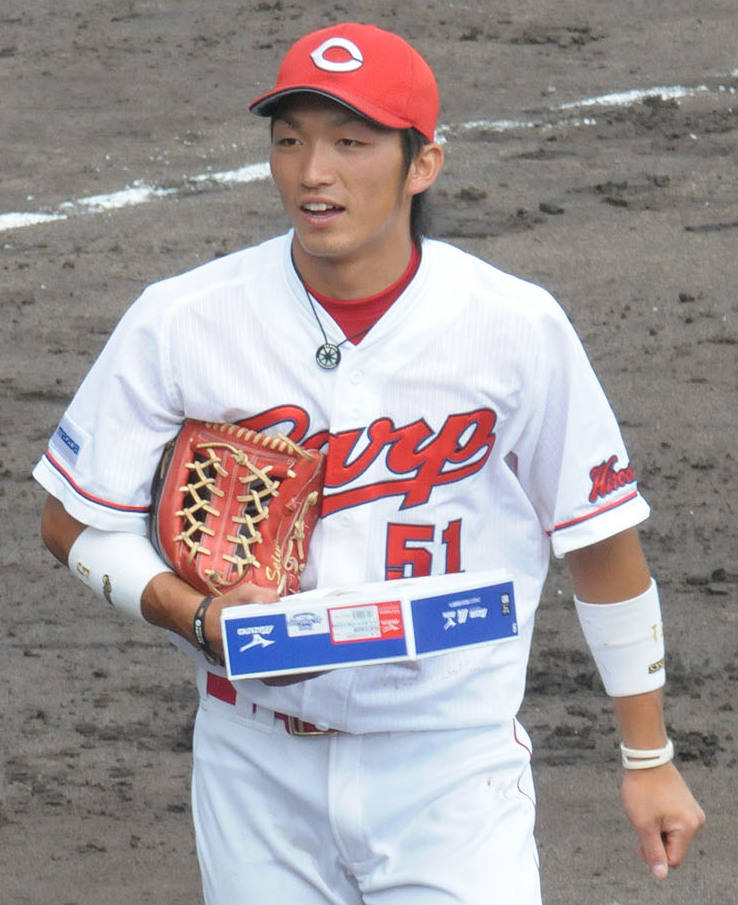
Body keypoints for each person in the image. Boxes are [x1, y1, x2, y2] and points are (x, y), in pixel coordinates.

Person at [35, 21, 704, 905]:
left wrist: (647, 756)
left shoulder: (515, 326)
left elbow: (603, 546)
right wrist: (194, 615)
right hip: (252, 763)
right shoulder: (182, 318)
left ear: (421, 163)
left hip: (448, 765)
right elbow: (70, 519)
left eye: (351, 143)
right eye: (290, 141)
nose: (314, 172)